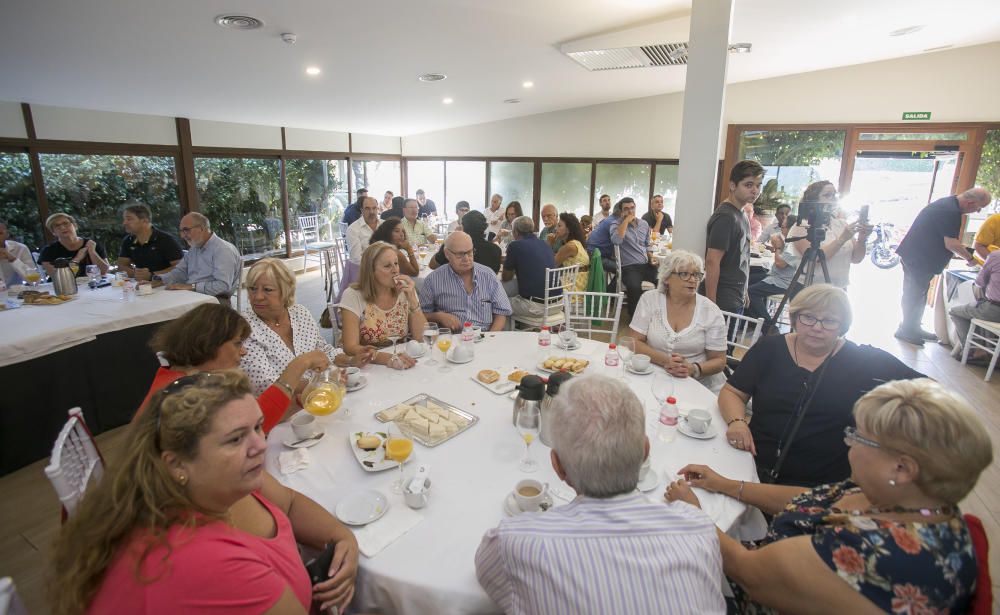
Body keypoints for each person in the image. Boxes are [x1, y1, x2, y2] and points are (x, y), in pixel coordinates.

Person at [667, 378, 991, 614]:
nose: (848, 444)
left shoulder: (879, 557)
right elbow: (815, 500)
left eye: (858, 437)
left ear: (902, 468)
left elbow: (748, 571)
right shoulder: (907, 499)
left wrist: (695, 514)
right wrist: (727, 484)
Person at [53, 371, 360, 615]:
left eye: (258, 427)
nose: (261, 445)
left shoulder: (217, 483)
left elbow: (289, 503)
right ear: (176, 463)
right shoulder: (205, 561)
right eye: (235, 439)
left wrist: (342, 536)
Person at [475, 375, 726, 614]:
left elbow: (489, 580)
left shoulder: (516, 543)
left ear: (558, 466)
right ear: (645, 452)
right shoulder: (699, 528)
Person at [721, 285, 923, 487]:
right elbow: (733, 392)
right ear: (795, 318)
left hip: (822, 479)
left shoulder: (864, 360)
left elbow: (930, 391)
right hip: (752, 462)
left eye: (829, 321)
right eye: (808, 317)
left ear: (843, 325)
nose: (817, 327)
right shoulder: (769, 349)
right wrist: (737, 421)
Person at [136, 303, 347, 434]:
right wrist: (300, 364)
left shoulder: (184, 375)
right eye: (238, 343)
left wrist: (303, 398)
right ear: (208, 344)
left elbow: (255, 418)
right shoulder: (179, 393)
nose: (244, 352)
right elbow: (252, 424)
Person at [895, 187, 991, 346]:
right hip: (918, 258)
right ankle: (906, 329)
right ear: (970, 202)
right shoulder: (949, 211)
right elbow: (951, 243)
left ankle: (912, 326)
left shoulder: (949, 205)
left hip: (919, 256)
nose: (977, 211)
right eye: (978, 208)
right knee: (914, 294)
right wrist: (970, 259)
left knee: (919, 294)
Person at [629, 250, 728, 393]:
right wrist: (665, 361)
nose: (693, 280)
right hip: (655, 376)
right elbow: (634, 341)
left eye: (696, 275)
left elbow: (719, 361)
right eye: (684, 274)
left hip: (700, 385)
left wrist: (693, 368)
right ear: (667, 278)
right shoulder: (650, 299)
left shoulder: (710, 311)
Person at [239, 258, 341, 395]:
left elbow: (323, 350)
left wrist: (351, 359)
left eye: (267, 290)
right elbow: (266, 384)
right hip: (280, 410)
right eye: (252, 289)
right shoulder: (243, 328)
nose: (257, 296)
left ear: (286, 291)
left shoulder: (300, 313)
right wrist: (323, 382)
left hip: (318, 397)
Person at [340, 242, 426, 369]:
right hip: (370, 365)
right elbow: (350, 347)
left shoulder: (404, 290)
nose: (395, 270)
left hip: (404, 360)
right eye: (387, 266)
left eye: (396, 264)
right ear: (371, 271)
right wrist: (388, 358)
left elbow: (421, 338)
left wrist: (413, 301)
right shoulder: (353, 295)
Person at [784, 181, 871, 290]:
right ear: (813, 200)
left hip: (839, 288)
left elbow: (856, 259)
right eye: (827, 195)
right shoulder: (802, 226)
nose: (832, 199)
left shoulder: (842, 224)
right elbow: (816, 258)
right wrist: (842, 238)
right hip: (811, 288)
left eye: (834, 195)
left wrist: (862, 239)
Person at [419, 231, 512, 331]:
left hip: (485, 336)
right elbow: (421, 314)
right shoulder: (433, 279)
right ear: (447, 254)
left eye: (470, 252)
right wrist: (439, 316)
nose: (466, 259)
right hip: (451, 339)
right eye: (460, 254)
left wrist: (491, 339)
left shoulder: (488, 275)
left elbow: (501, 312)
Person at [702, 160, 760, 314]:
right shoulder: (726, 217)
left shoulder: (741, 213)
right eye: (748, 185)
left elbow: (743, 258)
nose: (755, 190)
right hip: (724, 298)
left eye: (757, 185)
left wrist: (744, 290)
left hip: (736, 293)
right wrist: (711, 304)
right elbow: (712, 261)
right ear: (733, 185)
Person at [156, 212, 241, 304]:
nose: (182, 236)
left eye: (186, 230)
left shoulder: (223, 250)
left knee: (170, 313)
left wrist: (191, 286)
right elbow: (180, 272)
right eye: (181, 231)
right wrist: (158, 280)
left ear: (201, 228)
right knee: (161, 304)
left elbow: (222, 287)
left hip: (216, 301)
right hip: (193, 296)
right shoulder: (194, 249)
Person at [503, 216, 559, 320]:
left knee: (498, 302)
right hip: (558, 305)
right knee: (518, 293)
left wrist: (510, 263)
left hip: (536, 308)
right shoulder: (545, 244)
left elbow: (506, 277)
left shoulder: (515, 246)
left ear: (515, 232)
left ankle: (507, 334)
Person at [747, 214, 800, 321]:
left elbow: (780, 264)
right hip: (775, 275)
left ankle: (768, 326)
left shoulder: (795, 244)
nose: (781, 229)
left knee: (750, 292)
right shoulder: (789, 241)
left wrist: (778, 248)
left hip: (783, 281)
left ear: (791, 229)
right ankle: (751, 322)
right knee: (747, 279)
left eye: (783, 227)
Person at [950, 249, 1000, 361]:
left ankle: (973, 350)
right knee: (981, 308)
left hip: (994, 309)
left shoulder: (996, 256)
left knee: (955, 312)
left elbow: (979, 282)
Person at [609, 197, 656, 315]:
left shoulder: (644, 224)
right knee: (634, 287)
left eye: (632, 208)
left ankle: (658, 314)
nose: (630, 211)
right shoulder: (616, 224)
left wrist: (651, 257)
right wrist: (626, 221)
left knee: (665, 280)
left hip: (646, 265)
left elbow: (647, 245)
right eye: (626, 209)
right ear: (621, 211)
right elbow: (616, 240)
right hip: (629, 267)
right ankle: (635, 320)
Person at [116, 202, 183, 281]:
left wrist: (152, 275)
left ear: (145, 221)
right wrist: (136, 274)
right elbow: (121, 266)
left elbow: (181, 268)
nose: (124, 223)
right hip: (142, 286)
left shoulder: (165, 240)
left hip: (166, 285)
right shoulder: (128, 240)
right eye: (124, 219)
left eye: (129, 219)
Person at [38, 212, 110, 277]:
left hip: (92, 286)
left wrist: (92, 252)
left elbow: (103, 272)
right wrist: (77, 259)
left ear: (75, 226)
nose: (62, 227)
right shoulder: (48, 251)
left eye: (65, 223)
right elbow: (57, 277)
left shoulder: (92, 244)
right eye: (57, 226)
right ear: (53, 232)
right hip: (64, 288)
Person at [429, 210, 501, 273]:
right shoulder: (496, 250)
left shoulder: (452, 246)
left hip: (453, 287)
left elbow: (432, 265)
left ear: (463, 227)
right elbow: (494, 275)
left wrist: (451, 238)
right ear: (484, 227)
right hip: (485, 288)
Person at [552, 212, 589, 292]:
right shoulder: (577, 243)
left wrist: (549, 244)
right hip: (581, 285)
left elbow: (551, 265)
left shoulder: (569, 247)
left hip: (572, 289)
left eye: (559, 226)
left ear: (568, 230)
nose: (556, 228)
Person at [346, 196, 381, 265]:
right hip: (366, 270)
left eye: (374, 208)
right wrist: (379, 265)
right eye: (367, 208)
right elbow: (356, 259)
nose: (371, 212)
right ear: (362, 210)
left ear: (378, 209)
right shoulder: (353, 229)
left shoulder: (384, 224)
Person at [0, 218, 34, 286]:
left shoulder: (20, 249)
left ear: (7, 234)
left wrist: (13, 260)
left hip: (15, 295)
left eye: (0, 233)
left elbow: (34, 281)